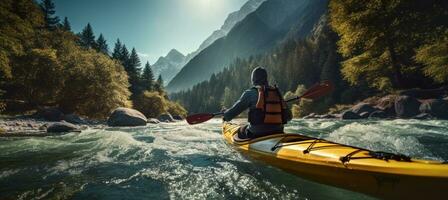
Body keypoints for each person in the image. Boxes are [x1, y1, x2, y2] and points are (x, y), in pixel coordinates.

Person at [223, 67, 292, 140]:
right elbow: (289, 117)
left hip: (256, 134)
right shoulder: (277, 92)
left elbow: (230, 115)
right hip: (278, 132)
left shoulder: (250, 93)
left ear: (253, 79)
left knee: (241, 130)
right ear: (266, 78)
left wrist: (225, 114)